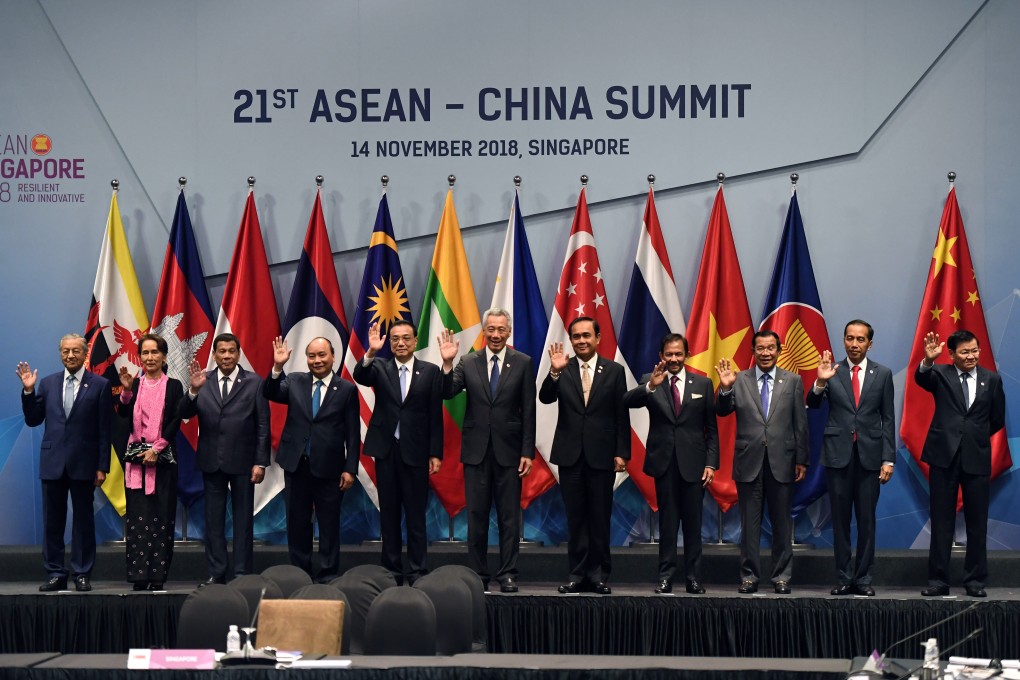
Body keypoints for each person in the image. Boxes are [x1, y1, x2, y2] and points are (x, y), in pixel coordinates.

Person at [438, 307, 535, 593]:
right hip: (476, 452)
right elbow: (447, 392)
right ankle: (478, 574)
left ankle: (507, 574)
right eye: (490, 329)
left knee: (509, 518)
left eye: (500, 329)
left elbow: (529, 409)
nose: (495, 334)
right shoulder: (468, 362)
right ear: (484, 331)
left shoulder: (523, 362)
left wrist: (527, 451)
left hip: (510, 453)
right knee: (476, 517)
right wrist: (446, 364)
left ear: (509, 332)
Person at [539, 317, 629, 595]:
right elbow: (545, 398)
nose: (581, 340)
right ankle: (577, 575)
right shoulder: (561, 368)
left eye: (586, 335)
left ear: (598, 338)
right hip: (570, 456)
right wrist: (554, 373)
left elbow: (621, 413)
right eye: (576, 336)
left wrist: (622, 452)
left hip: (603, 456)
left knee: (600, 518)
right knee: (576, 519)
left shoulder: (614, 371)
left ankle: (599, 576)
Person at [623, 333, 718, 595]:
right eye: (669, 354)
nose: (674, 359)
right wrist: (651, 387)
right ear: (661, 356)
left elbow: (712, 429)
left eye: (678, 354)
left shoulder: (704, 383)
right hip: (664, 464)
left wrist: (711, 464)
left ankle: (693, 579)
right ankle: (665, 577)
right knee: (667, 524)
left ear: (686, 355)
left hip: (695, 466)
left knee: (693, 526)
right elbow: (626, 402)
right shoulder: (651, 381)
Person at [716, 329, 808, 595]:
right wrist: (724, 388)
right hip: (749, 461)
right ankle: (749, 577)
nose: (766, 353)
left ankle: (781, 577)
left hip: (783, 460)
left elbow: (799, 424)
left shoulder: (793, 381)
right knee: (750, 526)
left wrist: (802, 458)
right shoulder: (739, 379)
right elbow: (722, 411)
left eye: (771, 348)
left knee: (781, 524)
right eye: (760, 348)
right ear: (753, 352)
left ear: (779, 351)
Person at [17, 333, 111, 592]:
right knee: (52, 523)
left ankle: (82, 573)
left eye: (75, 351)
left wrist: (102, 466)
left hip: (85, 464)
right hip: (53, 462)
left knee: (83, 522)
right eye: (66, 351)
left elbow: (105, 430)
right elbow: (33, 419)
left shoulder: (100, 385)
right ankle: (56, 573)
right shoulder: (46, 384)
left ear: (85, 353)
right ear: (60, 354)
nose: (70, 355)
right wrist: (28, 391)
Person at [806, 320, 894, 597]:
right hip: (838, 456)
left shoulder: (883, 374)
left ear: (869, 343)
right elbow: (813, 403)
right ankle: (844, 577)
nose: (854, 344)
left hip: (870, 458)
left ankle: (864, 580)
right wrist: (820, 382)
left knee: (867, 521)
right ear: (843, 340)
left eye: (860, 340)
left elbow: (888, 419)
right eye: (849, 338)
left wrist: (888, 458)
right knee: (840, 521)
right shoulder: (832, 372)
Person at [915, 329, 1005, 598]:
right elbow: (921, 378)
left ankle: (975, 580)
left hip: (976, 456)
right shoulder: (940, 375)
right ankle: (938, 581)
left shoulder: (992, 379)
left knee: (977, 522)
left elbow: (997, 419)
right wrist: (929, 360)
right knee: (942, 520)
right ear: (952, 354)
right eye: (964, 352)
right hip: (944, 456)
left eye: (975, 350)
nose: (971, 356)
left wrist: (973, 438)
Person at [353, 320, 443, 584]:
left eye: (405, 338)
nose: (400, 343)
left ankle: (417, 571)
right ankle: (392, 570)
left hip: (416, 452)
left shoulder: (430, 371)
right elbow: (360, 375)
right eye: (394, 339)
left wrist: (435, 452)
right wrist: (370, 351)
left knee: (416, 516)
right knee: (389, 515)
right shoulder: (379, 367)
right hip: (386, 451)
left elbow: (435, 415)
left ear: (415, 341)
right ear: (389, 343)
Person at [264, 336, 359, 582]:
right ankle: (300, 572)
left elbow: (353, 432)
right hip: (297, 465)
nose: (317, 360)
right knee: (297, 522)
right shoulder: (295, 381)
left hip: (330, 467)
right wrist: (277, 368)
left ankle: (328, 572)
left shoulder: (347, 389)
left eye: (322, 355)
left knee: (329, 523)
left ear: (333, 357)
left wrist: (350, 469)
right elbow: (271, 392)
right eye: (312, 356)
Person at [179, 333, 270, 586]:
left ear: (238, 354)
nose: (226, 356)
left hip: (244, 462)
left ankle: (241, 574)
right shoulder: (202, 380)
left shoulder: (254, 382)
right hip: (211, 461)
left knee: (243, 522)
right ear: (215, 354)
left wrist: (260, 462)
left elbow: (263, 424)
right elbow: (183, 413)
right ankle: (216, 573)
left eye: (231, 351)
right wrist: (193, 391)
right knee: (213, 521)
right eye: (221, 351)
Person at [114, 333, 185, 591]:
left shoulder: (174, 386)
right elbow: (123, 414)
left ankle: (157, 576)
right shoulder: (133, 383)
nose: (150, 357)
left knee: (161, 517)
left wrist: (157, 447)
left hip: (163, 461)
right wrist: (126, 392)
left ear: (164, 356)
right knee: (138, 519)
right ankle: (138, 575)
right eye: (145, 352)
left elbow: (176, 419)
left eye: (155, 352)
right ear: (140, 356)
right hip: (136, 463)